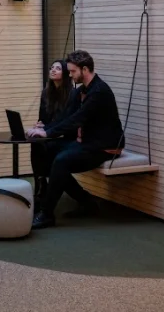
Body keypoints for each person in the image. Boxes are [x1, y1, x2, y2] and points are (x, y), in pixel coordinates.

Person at [27, 49, 123, 229]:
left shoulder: (99, 92)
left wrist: (48, 133)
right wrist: (42, 130)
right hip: (87, 143)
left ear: (84, 69)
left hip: (104, 147)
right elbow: (66, 116)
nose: (70, 75)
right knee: (46, 149)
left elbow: (76, 120)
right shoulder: (82, 90)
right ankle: (86, 202)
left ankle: (47, 214)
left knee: (61, 162)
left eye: (72, 72)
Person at [31, 60, 74, 210]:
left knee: (46, 152)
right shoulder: (46, 93)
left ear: (66, 73)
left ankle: (43, 188)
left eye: (58, 68)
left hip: (65, 135)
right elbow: (43, 119)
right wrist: (39, 125)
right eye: (52, 68)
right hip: (50, 133)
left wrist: (46, 128)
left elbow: (66, 122)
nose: (53, 70)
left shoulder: (71, 94)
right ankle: (41, 183)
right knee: (36, 143)